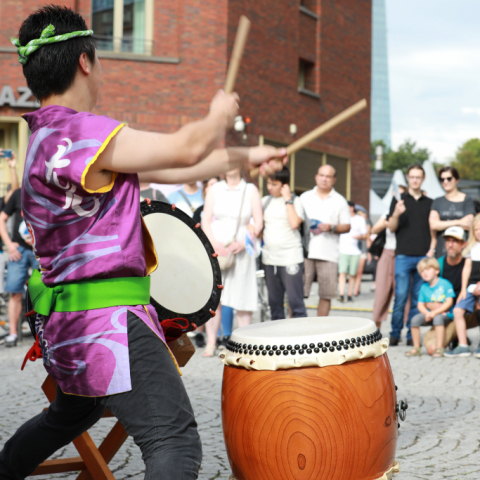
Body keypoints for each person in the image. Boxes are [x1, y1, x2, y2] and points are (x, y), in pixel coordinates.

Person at [0, 6, 285, 478]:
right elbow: (185, 149)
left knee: (72, 414)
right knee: (174, 443)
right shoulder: (80, 131)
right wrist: (218, 117)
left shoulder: (45, 140)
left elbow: (177, 166)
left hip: (65, 324)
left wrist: (248, 155)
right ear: (86, 61)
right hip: (108, 322)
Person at [201, 168, 263, 356]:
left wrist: (244, 243)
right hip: (217, 248)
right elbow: (206, 219)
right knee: (214, 299)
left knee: (243, 297)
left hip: (240, 249)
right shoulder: (215, 189)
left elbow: (258, 221)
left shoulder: (250, 189)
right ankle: (211, 342)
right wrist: (213, 245)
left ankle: (246, 344)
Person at [387, 164, 436, 346]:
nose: (415, 180)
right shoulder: (399, 200)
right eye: (412, 177)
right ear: (407, 178)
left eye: (418, 177)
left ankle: (411, 335)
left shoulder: (430, 202)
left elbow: (433, 231)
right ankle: (395, 333)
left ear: (423, 179)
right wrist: (397, 213)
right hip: (403, 256)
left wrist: (431, 250)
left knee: (417, 298)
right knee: (400, 296)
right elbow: (391, 228)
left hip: (423, 257)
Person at [300, 165, 351, 316]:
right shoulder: (305, 197)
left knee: (326, 294)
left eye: (328, 176)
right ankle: (295, 329)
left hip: (329, 254)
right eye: (321, 175)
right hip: (304, 252)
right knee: (298, 293)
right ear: (316, 177)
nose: (324, 179)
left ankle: (319, 331)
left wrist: (332, 227)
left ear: (334, 180)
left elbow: (347, 226)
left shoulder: (340, 200)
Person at [261, 166, 307, 320]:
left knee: (296, 303)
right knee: (275, 304)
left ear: (284, 184)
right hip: (269, 258)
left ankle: (300, 341)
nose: (270, 188)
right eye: (268, 183)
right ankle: (278, 340)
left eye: (274, 184)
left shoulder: (296, 201)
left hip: (290, 257)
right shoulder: (265, 201)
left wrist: (288, 199)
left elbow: (294, 223)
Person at [0, 186, 39, 347]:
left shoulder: (48, 190)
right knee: (14, 292)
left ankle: (48, 333)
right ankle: (13, 334)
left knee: (46, 291)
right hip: (19, 250)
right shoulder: (18, 193)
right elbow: (1, 218)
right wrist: (9, 244)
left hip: (41, 249)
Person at [445, 215, 480, 358]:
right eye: (476, 229)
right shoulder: (472, 248)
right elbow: (466, 269)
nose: (478, 232)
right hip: (471, 287)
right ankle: (463, 345)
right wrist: (464, 289)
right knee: (458, 310)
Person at [405, 258, 455, 357]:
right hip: (429, 314)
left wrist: (434, 313)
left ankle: (439, 347)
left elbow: (449, 302)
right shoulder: (423, 287)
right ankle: (416, 347)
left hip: (444, 314)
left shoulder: (445, 284)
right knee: (414, 320)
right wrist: (427, 313)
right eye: (422, 271)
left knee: (438, 318)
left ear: (437, 270)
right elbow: (420, 305)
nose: (424, 273)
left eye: (428, 269)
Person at [429, 166, 474, 258]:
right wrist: (459, 221)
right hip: (441, 251)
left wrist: (441, 224)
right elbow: (433, 225)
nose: (445, 182)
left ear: (457, 180)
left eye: (449, 178)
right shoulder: (437, 201)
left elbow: (469, 224)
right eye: (442, 179)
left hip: (463, 251)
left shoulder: (467, 199)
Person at [371, 212, 397, 329]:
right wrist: (388, 222)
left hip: (404, 254)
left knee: (404, 297)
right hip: (387, 252)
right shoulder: (387, 212)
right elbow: (374, 229)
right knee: (381, 293)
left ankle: (403, 332)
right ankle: (376, 329)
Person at [337, 201, 367, 302]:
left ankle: (349, 294)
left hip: (355, 251)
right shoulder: (341, 218)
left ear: (352, 208)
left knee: (352, 274)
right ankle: (341, 294)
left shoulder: (360, 219)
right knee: (342, 272)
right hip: (342, 249)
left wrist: (358, 237)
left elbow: (365, 235)